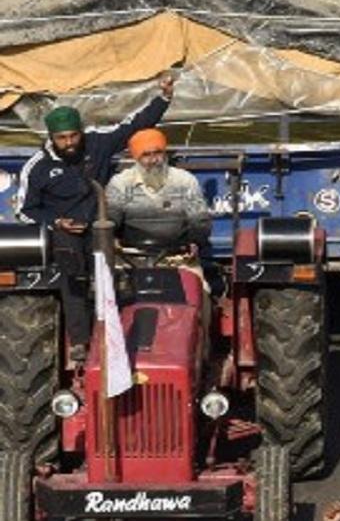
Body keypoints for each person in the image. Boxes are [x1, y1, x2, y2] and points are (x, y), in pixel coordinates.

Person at [16, 76, 174, 359]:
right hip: (65, 233)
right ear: (51, 138)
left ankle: (116, 333)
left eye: (74, 135)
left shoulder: (97, 144)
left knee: (108, 273)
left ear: (80, 132)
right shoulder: (37, 167)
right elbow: (26, 209)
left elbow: (134, 125)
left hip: (100, 225)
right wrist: (56, 222)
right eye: (62, 138)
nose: (69, 142)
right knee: (72, 273)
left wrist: (163, 98)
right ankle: (80, 340)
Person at [106, 128, 211, 247]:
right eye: (146, 155)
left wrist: (195, 243)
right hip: (131, 250)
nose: (154, 160)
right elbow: (111, 218)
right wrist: (112, 240)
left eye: (158, 153)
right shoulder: (121, 182)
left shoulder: (184, 180)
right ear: (136, 158)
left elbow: (199, 220)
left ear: (164, 154)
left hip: (177, 251)